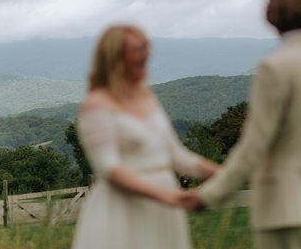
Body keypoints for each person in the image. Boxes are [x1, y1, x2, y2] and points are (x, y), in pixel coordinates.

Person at [181, 0, 301, 249]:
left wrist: (210, 195)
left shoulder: (275, 67)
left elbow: (254, 145)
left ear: (270, 17)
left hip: (282, 200)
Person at [72, 25, 219, 249]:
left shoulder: (146, 97)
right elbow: (109, 168)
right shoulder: (96, 104)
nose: (147, 54)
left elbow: (176, 154)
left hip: (164, 206)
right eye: (140, 50)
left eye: (147, 48)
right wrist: (164, 196)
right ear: (116, 58)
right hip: (123, 208)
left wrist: (223, 174)